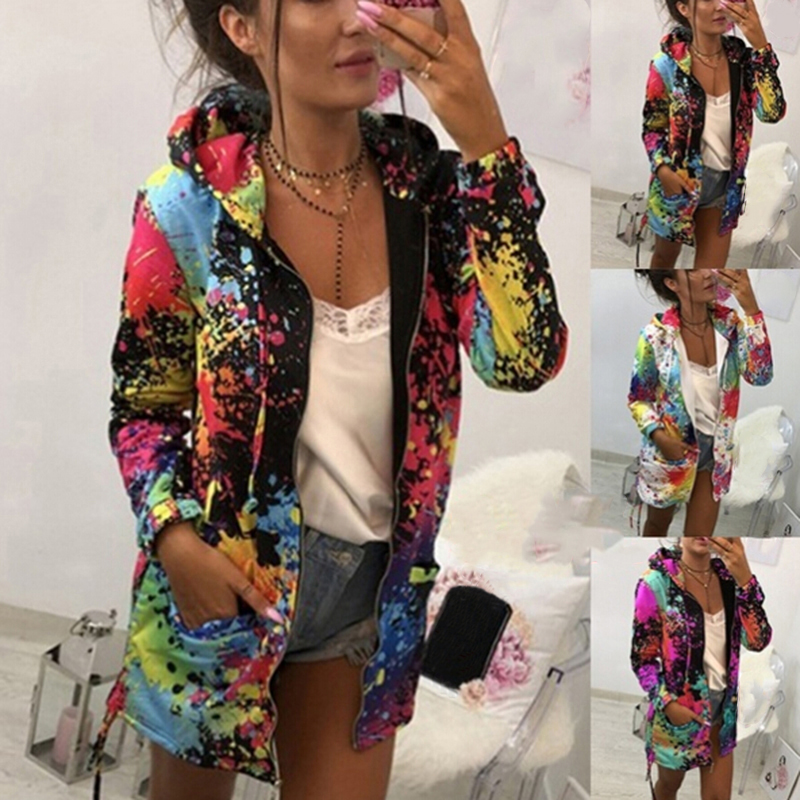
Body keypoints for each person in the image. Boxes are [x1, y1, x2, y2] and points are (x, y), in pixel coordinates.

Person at [90, 1, 568, 799]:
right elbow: (144, 406)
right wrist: (174, 539)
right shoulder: (189, 205)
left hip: (364, 600)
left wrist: (486, 141)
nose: (357, 19)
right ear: (242, 26)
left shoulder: (432, 202)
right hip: (222, 580)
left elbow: (523, 359)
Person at [628, 269, 772, 537]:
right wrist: (659, 436)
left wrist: (752, 310)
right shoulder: (656, 336)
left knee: (699, 539)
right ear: (672, 283)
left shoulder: (730, 327)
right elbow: (639, 399)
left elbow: (760, 375)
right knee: (656, 528)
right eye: (694, 271)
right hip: (670, 450)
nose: (707, 274)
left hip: (715, 453)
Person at [641, 0, 786, 267]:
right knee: (664, 259)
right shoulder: (667, 65)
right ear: (684, 8)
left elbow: (772, 112)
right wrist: (662, 169)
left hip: (724, 188)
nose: (720, 6)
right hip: (678, 183)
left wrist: (761, 46)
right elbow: (653, 127)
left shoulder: (743, 62)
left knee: (711, 271)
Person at [631, 536, 772, 800]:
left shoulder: (730, 581)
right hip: (678, 716)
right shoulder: (656, 584)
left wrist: (746, 580)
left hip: (722, 716)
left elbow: (758, 640)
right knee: (668, 788)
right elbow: (642, 659)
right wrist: (668, 705)